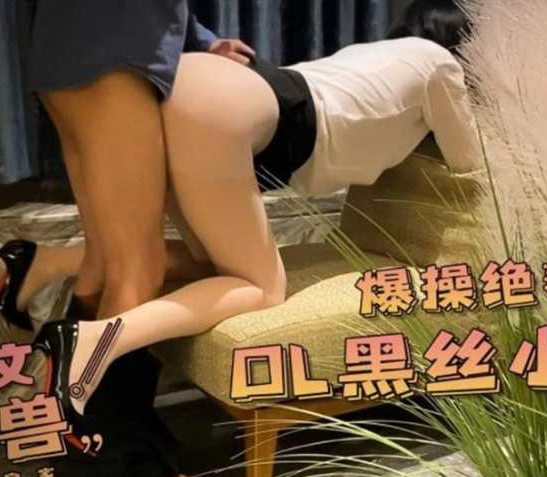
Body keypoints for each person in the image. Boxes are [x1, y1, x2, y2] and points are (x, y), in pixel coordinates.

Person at [28, 0, 485, 424]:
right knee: (262, 290)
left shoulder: (376, 52)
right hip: (227, 108)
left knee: (209, 268)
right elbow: (472, 161)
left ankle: (53, 262)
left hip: (189, 85)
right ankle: (93, 341)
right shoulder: (437, 62)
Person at [0, 0, 254, 477]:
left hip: (72, 45)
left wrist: (199, 38)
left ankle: (78, 437)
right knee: (137, 266)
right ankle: (119, 471)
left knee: (107, 264)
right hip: (116, 47)